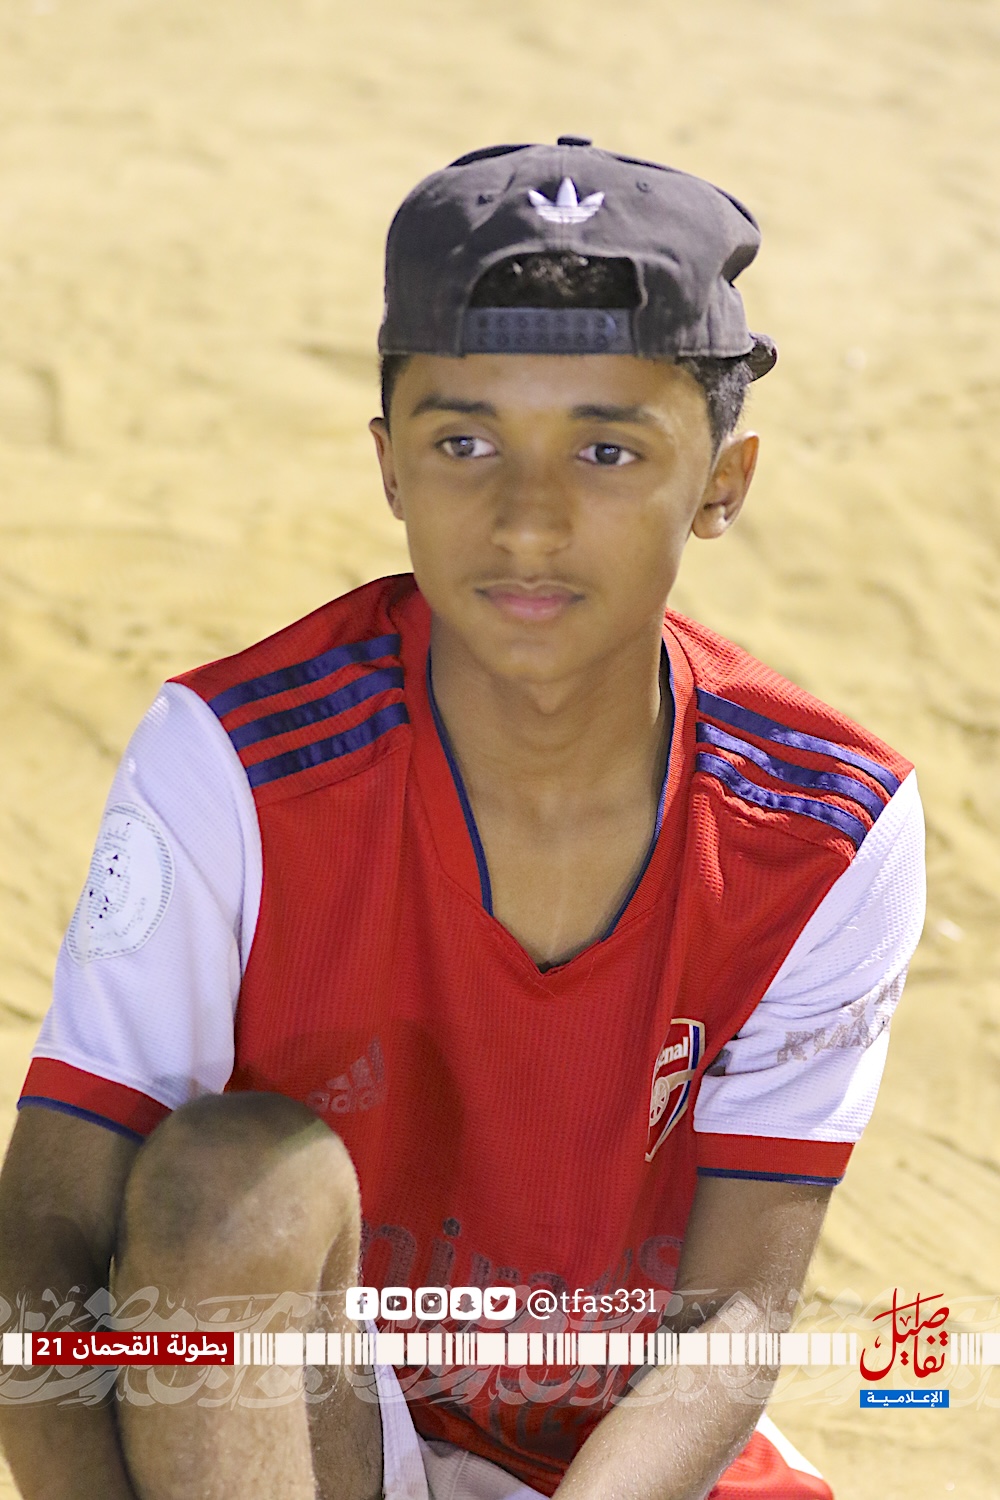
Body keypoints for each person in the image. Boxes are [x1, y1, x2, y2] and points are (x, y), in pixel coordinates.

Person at [0, 137, 925, 1500]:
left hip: (607, 1465)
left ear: (722, 483)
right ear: (389, 466)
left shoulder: (825, 824)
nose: (528, 522)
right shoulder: (236, 762)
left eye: (606, 449)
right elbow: (47, 1239)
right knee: (227, 1183)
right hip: (294, 1442)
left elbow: (732, 1318)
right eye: (465, 442)